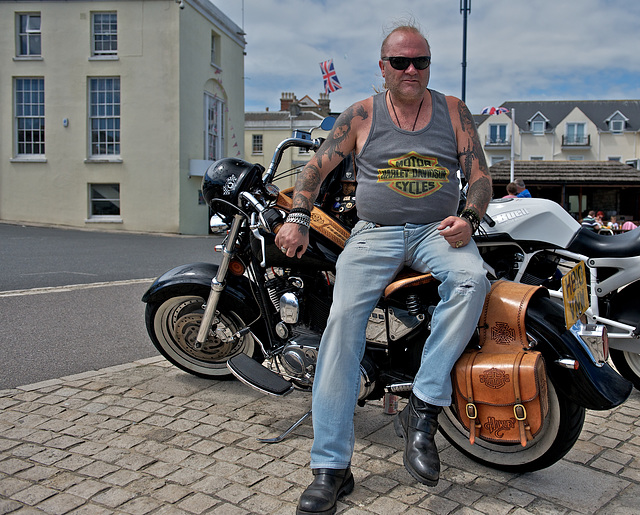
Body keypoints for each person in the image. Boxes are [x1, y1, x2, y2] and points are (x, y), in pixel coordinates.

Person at [275, 22, 491, 515]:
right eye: (401, 62)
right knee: (342, 323)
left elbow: (479, 177)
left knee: (472, 279)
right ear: (383, 67)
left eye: (421, 61)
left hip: (438, 228)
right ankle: (330, 468)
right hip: (374, 232)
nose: (412, 69)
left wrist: (471, 218)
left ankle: (425, 402)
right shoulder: (361, 114)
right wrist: (297, 216)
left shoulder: (454, 111)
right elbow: (314, 170)